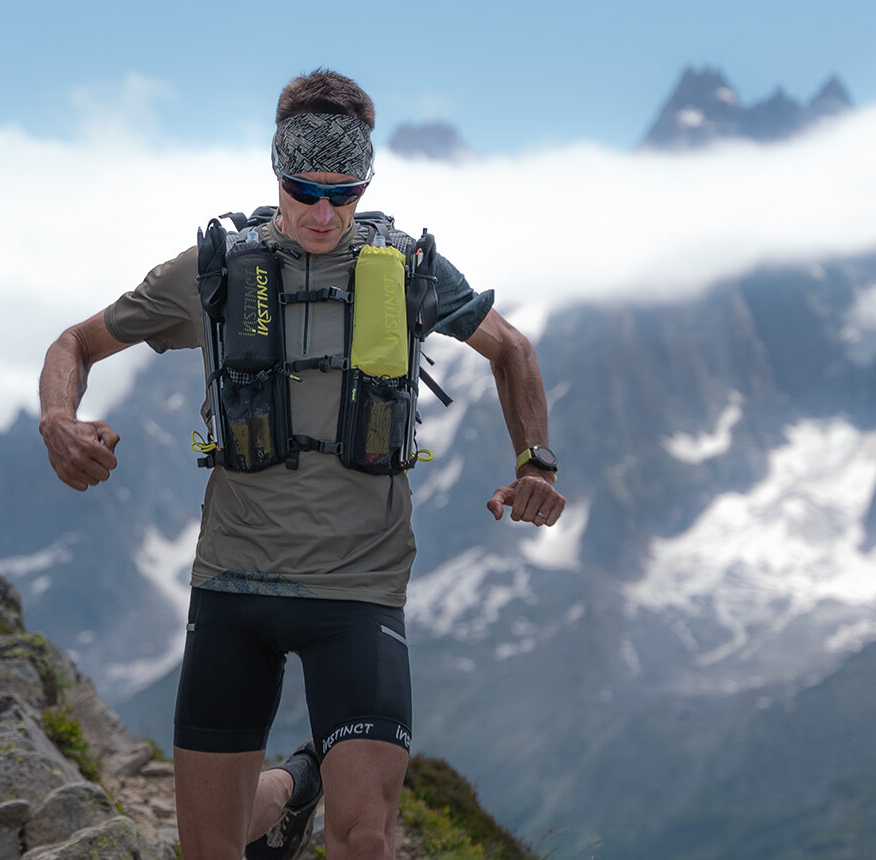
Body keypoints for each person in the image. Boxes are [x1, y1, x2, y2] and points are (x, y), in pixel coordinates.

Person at [38, 69, 565, 860]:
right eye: (304, 191)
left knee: (366, 841)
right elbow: (75, 343)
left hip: (359, 588)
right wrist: (57, 419)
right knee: (210, 849)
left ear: (365, 185)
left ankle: (310, 791)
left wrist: (537, 464)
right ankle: (292, 789)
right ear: (276, 172)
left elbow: (512, 349)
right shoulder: (213, 271)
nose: (322, 213)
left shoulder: (409, 268)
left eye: (342, 195)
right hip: (234, 583)